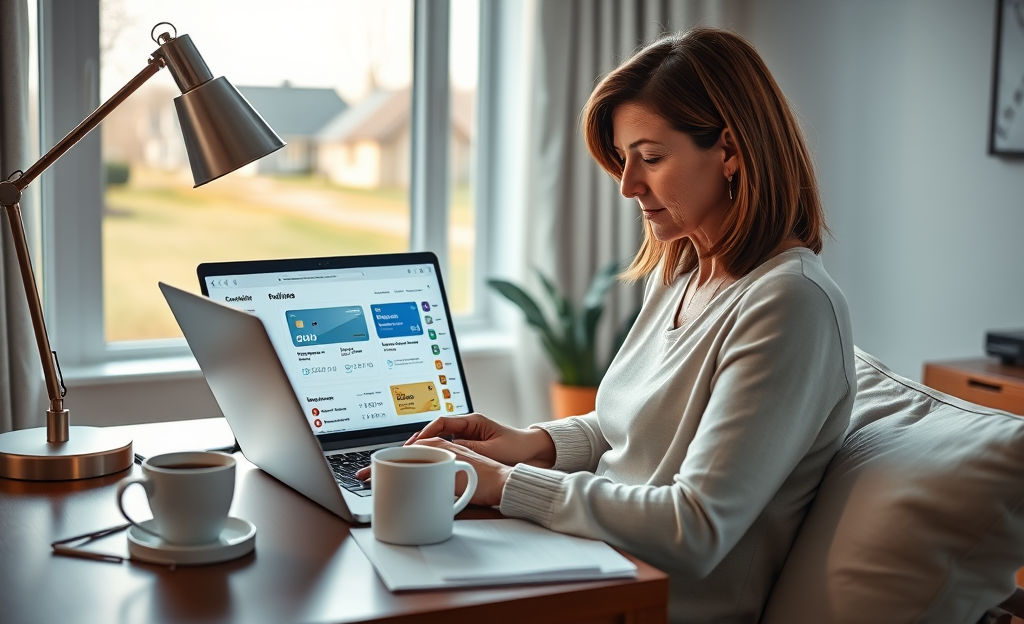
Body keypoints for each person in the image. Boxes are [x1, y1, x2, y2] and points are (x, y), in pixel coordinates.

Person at [359, 27, 855, 623]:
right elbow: (640, 428)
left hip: (655, 604)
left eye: (652, 157)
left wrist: (505, 484)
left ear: (729, 150)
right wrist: (532, 444)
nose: (627, 185)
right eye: (624, 159)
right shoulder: (680, 273)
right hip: (592, 564)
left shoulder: (790, 304)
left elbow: (696, 528)